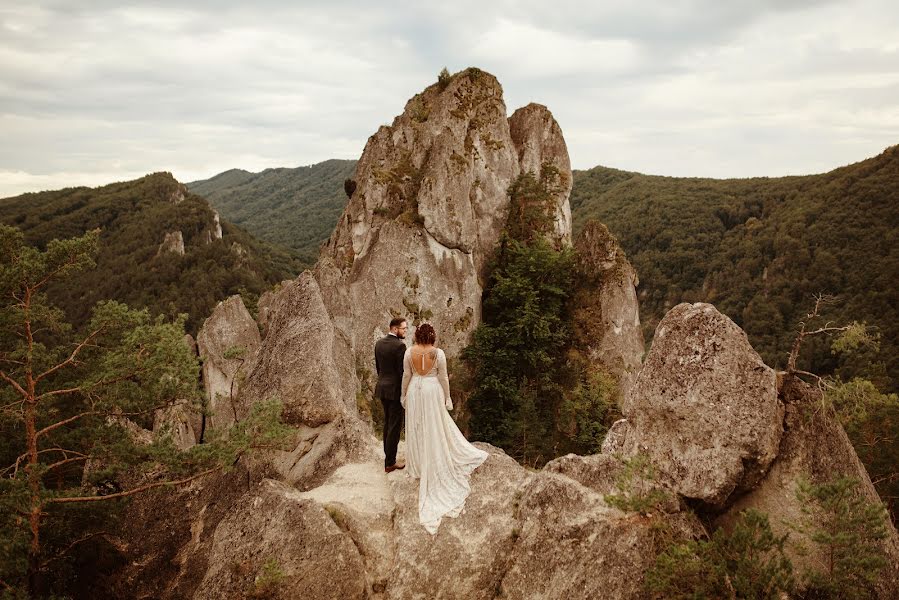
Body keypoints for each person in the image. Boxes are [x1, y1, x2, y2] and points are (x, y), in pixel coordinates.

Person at [401, 323, 489, 534]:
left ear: (417, 335)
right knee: (435, 426)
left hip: (415, 390)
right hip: (432, 391)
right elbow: (442, 378)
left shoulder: (408, 352)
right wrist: (447, 397)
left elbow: (406, 375)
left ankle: (418, 465)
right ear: (432, 336)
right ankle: (434, 458)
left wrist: (403, 394)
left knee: (417, 427)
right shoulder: (438, 353)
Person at [375, 317, 408, 473]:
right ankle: (390, 463)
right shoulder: (400, 346)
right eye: (404, 329)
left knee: (387, 423)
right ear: (395, 329)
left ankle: (388, 458)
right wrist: (405, 393)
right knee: (394, 426)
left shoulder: (379, 343)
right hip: (394, 390)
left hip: (382, 387)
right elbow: (402, 373)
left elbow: (378, 369)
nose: (405, 331)